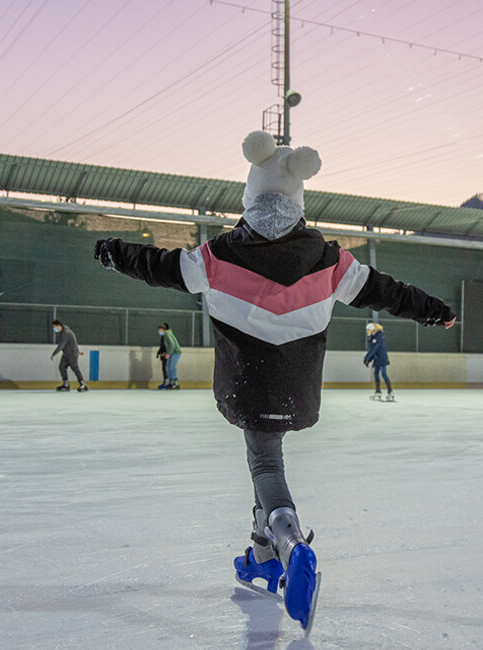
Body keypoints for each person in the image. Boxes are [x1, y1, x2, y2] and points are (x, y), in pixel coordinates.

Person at [92, 130, 456, 632]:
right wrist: (435, 312)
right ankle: (261, 556)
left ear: (251, 190)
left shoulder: (219, 255)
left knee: (264, 461)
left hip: (247, 382)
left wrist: (113, 252)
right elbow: (386, 290)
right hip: (297, 385)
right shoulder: (330, 260)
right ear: (297, 197)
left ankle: (289, 543)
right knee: (264, 458)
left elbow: (160, 266)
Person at [50, 320, 87, 392]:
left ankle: (83, 384)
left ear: (59, 326)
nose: (54, 329)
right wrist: (78, 351)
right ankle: (66, 384)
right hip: (67, 354)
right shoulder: (62, 333)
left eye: (55, 327)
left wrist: (53, 354)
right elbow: (71, 343)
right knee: (62, 367)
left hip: (72, 354)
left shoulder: (66, 333)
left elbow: (61, 345)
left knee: (75, 368)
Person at [364, 323, 393, 401]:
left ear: (372, 329)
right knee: (376, 374)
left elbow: (373, 349)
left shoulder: (377, 337)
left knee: (384, 374)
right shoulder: (374, 337)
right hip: (377, 358)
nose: (367, 331)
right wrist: (368, 360)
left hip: (382, 358)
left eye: (368, 329)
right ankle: (378, 392)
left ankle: (390, 392)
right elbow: (373, 350)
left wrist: (366, 358)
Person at [157, 323, 182, 390]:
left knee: (171, 367)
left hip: (176, 352)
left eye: (159, 330)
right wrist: (166, 353)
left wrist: (168, 353)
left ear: (163, 330)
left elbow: (172, 344)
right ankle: (170, 382)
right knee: (167, 367)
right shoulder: (166, 335)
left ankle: (175, 383)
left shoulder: (167, 334)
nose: (159, 332)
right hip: (172, 352)